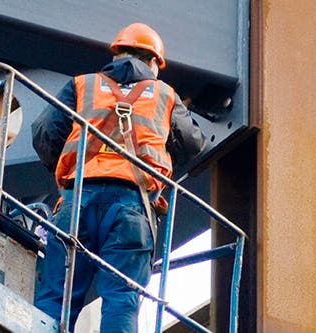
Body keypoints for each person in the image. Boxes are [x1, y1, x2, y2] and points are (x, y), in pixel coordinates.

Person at [30, 22, 205, 332]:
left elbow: (45, 131)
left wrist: (70, 169)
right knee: (122, 299)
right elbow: (192, 144)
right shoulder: (164, 94)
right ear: (153, 62)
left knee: (57, 297)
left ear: (118, 54)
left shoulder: (82, 85)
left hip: (77, 201)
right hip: (132, 208)